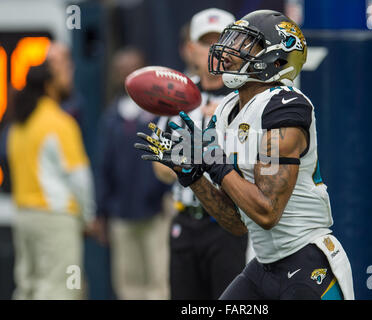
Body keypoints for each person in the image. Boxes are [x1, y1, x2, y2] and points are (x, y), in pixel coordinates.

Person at [135, 10, 354, 300]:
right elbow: (236, 223)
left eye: (245, 43)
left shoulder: (285, 107)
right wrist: (193, 175)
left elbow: (267, 212)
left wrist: (214, 163)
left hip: (306, 261)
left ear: (275, 59)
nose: (228, 51)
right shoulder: (227, 110)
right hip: (264, 265)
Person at [150, 8, 248, 300]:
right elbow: (160, 166)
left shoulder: (247, 96)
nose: (215, 51)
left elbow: (260, 162)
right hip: (185, 221)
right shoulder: (176, 94)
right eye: (207, 42)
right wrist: (185, 163)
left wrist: (228, 124)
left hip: (229, 223)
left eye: (221, 41)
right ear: (190, 49)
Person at [7, 42, 96, 299]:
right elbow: (79, 178)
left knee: (28, 287)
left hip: (24, 216)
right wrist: (88, 217)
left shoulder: (18, 126)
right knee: (60, 289)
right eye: (64, 73)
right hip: (56, 219)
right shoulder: (59, 123)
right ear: (49, 84)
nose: (69, 78)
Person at [95, 47, 172, 300]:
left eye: (133, 69)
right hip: (122, 216)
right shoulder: (111, 118)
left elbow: (170, 163)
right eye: (121, 71)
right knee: (128, 283)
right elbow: (103, 166)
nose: (127, 75)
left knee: (159, 281)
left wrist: (163, 197)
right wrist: (102, 211)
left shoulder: (162, 114)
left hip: (156, 213)